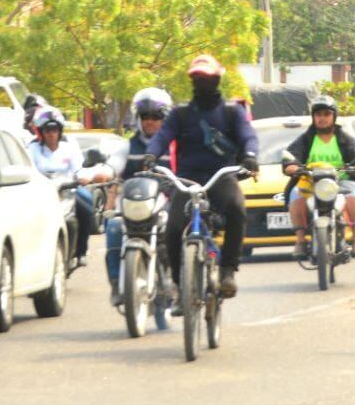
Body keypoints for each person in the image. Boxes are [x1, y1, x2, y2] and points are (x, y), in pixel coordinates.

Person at [145, 55, 259, 299]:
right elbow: (162, 136)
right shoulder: (180, 114)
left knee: (237, 209)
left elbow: (248, 136)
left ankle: (228, 271)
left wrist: (250, 155)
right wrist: (151, 155)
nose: (201, 83)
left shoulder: (232, 112)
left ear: (217, 80)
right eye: (197, 78)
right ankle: (179, 286)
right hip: (187, 180)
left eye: (206, 78)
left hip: (221, 177)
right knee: (173, 229)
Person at [105, 88, 175, 321]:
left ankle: (175, 280)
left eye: (156, 116)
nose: (150, 121)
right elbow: (112, 166)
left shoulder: (174, 146)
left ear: (165, 118)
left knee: (177, 228)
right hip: (132, 208)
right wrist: (100, 172)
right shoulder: (128, 146)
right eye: (145, 116)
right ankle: (117, 283)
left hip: (164, 205)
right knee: (113, 228)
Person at [282, 95, 355, 259]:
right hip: (311, 183)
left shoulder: (345, 139)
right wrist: (292, 166)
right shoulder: (306, 139)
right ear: (313, 117)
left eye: (326, 114)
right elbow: (290, 158)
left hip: (341, 182)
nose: (322, 118)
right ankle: (300, 241)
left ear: (334, 116)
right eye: (318, 114)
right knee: (295, 194)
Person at [28, 106, 110, 267]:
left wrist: (85, 177)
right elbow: (28, 169)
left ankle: (81, 252)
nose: (51, 133)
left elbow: (79, 170)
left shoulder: (69, 146)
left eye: (54, 129)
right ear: (41, 132)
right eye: (47, 130)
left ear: (60, 131)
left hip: (68, 190)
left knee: (86, 206)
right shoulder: (33, 148)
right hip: (41, 192)